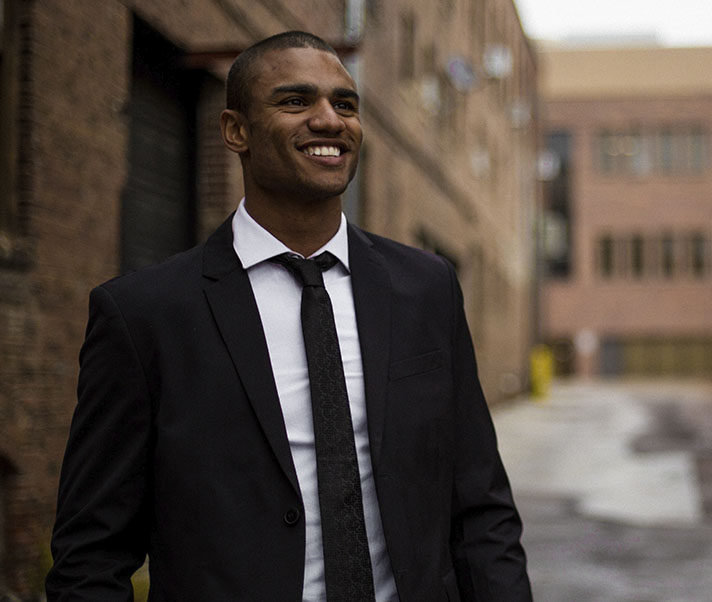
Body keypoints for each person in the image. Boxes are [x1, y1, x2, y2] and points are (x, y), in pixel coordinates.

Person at [46, 31, 532, 602]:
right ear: (236, 131)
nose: (329, 120)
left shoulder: (426, 289)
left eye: (344, 104)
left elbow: (480, 506)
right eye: (296, 101)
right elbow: (91, 552)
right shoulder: (144, 315)